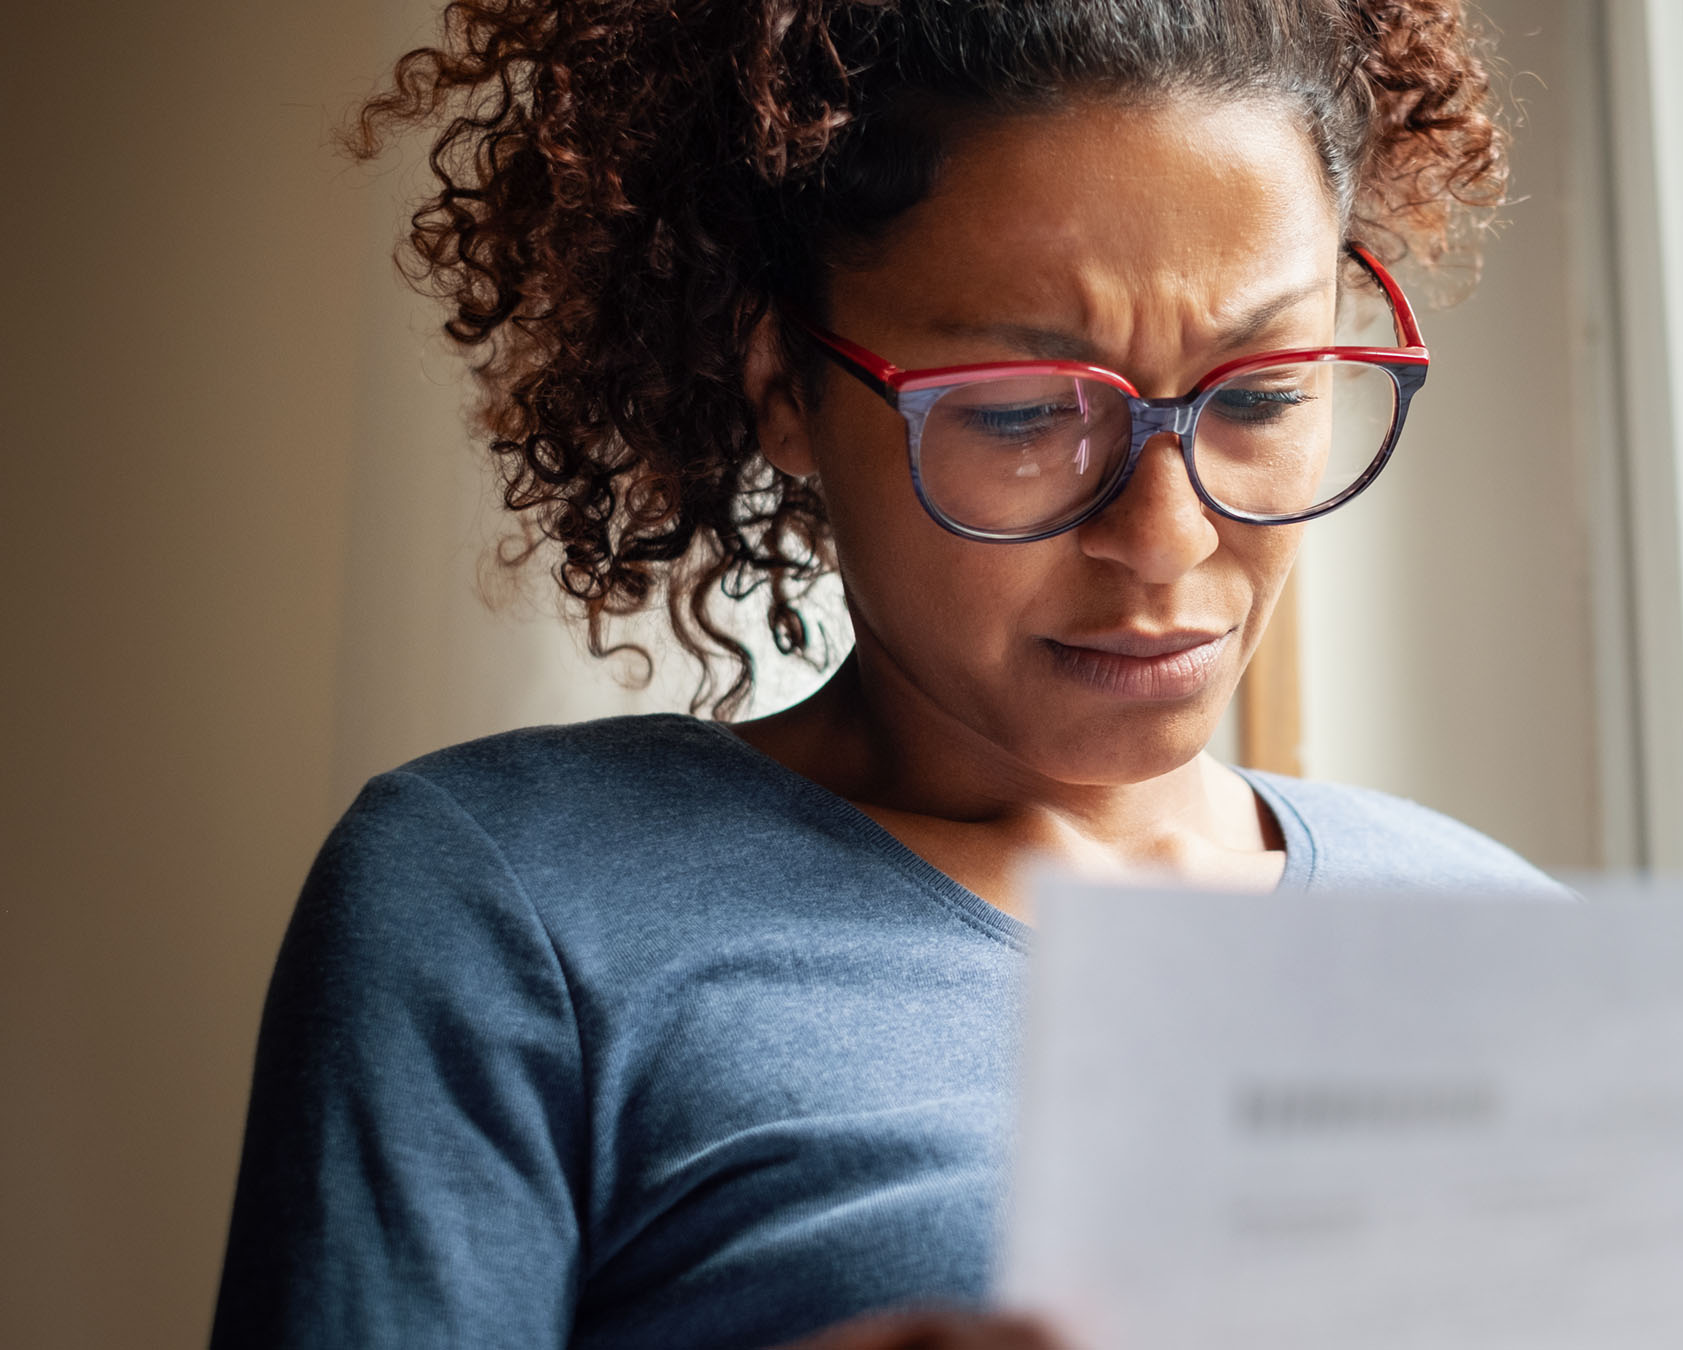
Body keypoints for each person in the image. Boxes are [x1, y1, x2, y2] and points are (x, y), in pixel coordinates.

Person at [210, 2, 1550, 1346]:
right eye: (1025, 413)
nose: (1166, 537)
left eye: (1262, 394)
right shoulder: (514, 907)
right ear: (784, 385)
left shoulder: (1511, 944)